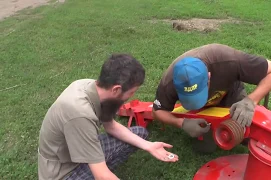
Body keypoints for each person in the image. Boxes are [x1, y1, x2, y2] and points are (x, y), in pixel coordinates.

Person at [38, 54, 179, 180]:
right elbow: (102, 176)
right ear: (116, 89)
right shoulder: (80, 115)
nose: (132, 96)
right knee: (102, 173)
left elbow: (110, 126)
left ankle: (97, 164)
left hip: (76, 150)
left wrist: (149, 146)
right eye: (132, 92)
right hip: (64, 171)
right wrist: (103, 172)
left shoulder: (93, 87)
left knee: (140, 134)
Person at [152, 43, 271, 152]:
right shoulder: (169, 81)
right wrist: (182, 123)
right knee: (205, 148)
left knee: (248, 134)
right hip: (202, 110)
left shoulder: (228, 60)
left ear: (209, 77)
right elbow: (157, 111)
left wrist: (251, 101)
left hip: (230, 94)